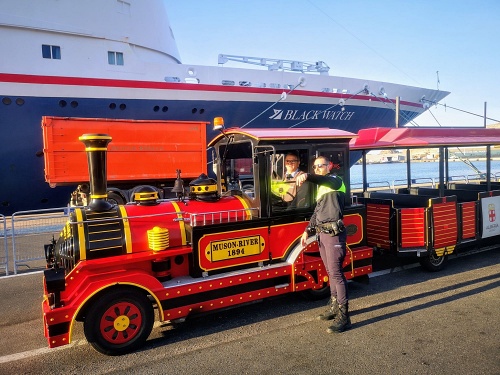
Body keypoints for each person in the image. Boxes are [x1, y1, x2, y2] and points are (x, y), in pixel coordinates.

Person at [296, 155, 351, 333]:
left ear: (329, 167)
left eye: (321, 166)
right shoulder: (322, 189)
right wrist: (307, 230)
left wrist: (307, 176)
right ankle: (334, 306)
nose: (318, 168)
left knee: (336, 274)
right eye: (315, 167)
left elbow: (326, 180)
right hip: (322, 234)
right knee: (330, 273)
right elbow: (317, 211)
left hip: (334, 235)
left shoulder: (335, 181)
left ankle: (344, 316)